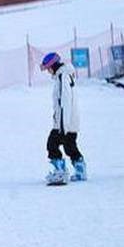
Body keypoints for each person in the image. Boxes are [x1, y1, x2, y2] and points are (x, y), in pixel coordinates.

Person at [40, 52, 86, 184]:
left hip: (64, 122)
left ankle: (60, 172)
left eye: (48, 68)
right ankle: (80, 170)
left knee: (52, 144)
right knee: (69, 145)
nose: (48, 72)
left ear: (53, 66)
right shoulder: (67, 75)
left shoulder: (62, 77)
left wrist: (62, 126)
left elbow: (64, 102)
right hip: (71, 121)